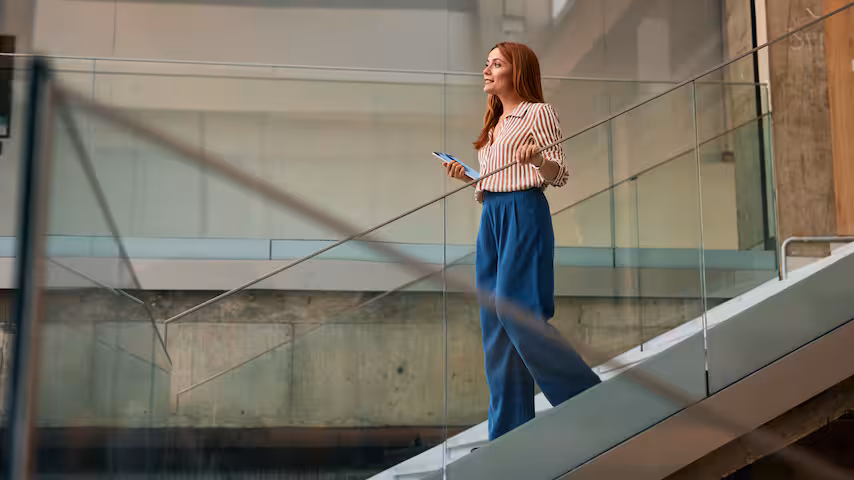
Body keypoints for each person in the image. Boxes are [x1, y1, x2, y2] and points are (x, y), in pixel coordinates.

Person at [443, 42, 601, 441]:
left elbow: (559, 172)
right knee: (494, 325)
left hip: (524, 212)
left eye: (496, 64)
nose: (487, 69)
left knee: (519, 314)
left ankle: (587, 398)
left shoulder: (538, 112)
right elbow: (496, 178)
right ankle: (508, 434)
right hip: (492, 216)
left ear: (518, 72)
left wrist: (537, 160)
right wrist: (469, 177)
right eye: (487, 63)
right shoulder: (495, 124)